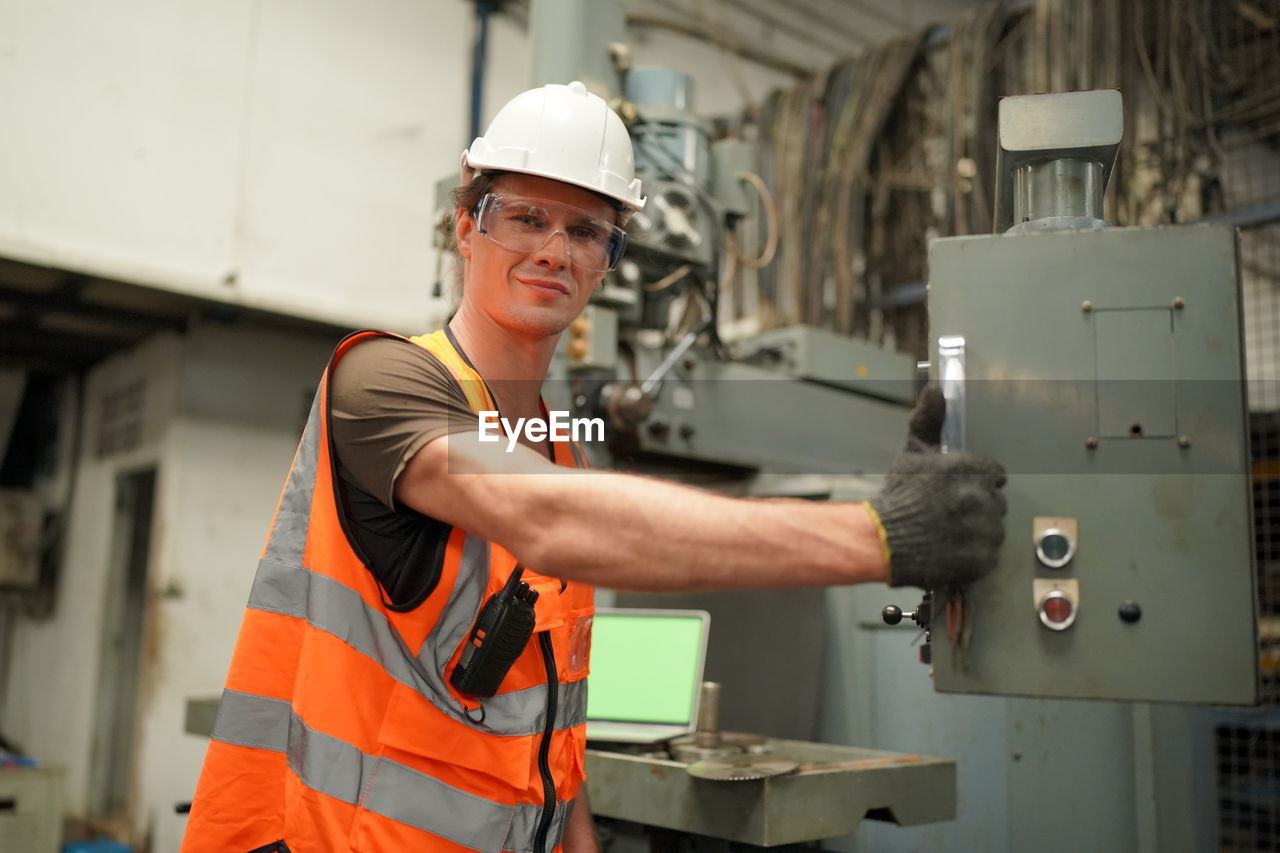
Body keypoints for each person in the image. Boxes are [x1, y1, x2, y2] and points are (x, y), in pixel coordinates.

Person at [182, 81, 1006, 853]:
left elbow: (552, 710)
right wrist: (883, 536)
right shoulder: (380, 381)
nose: (554, 249)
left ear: (607, 261)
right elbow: (551, 518)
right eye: (525, 216)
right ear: (466, 225)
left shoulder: (558, 440)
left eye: (585, 231)